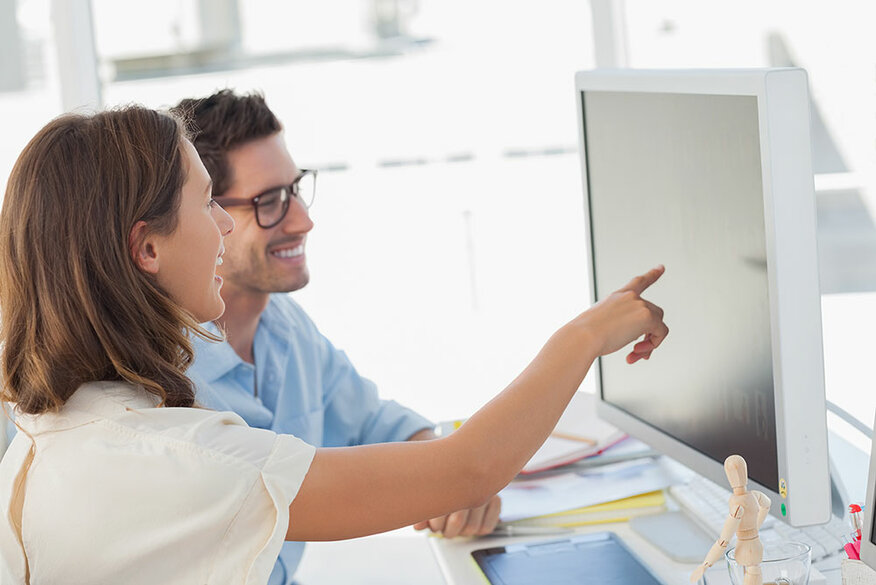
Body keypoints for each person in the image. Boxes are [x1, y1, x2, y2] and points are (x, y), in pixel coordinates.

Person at [0, 106, 668, 584]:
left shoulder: (61, 423)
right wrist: (585, 336)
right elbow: (466, 468)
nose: (217, 231)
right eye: (208, 204)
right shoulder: (180, 460)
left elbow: (388, 429)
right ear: (147, 247)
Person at [170, 90, 503, 583]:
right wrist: (455, 473)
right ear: (206, 216)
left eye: (296, 190)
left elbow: (374, 423)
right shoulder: (155, 383)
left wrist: (448, 476)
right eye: (269, 203)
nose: (303, 220)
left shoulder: (286, 327)